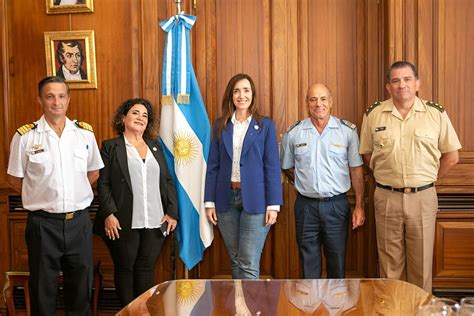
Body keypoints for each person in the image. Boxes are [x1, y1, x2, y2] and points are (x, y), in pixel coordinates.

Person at [359, 61, 461, 292]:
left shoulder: (435, 114)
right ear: (388, 87)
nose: (401, 85)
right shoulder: (374, 115)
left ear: (417, 84)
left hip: (423, 198)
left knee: (421, 266)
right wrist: (389, 174)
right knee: (389, 267)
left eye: (407, 79)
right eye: (395, 81)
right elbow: (366, 153)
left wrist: (428, 179)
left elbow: (452, 156)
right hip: (386, 197)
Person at [7, 76, 103, 315]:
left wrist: (72, 193)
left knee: (81, 290)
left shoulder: (84, 134)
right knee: (43, 291)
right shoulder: (26, 137)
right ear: (40, 100)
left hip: (78, 222)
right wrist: (41, 194)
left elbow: (93, 172)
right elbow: (14, 178)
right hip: (42, 224)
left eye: (61, 96)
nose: (56, 102)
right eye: (50, 96)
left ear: (68, 100)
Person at [93, 98, 178, 306]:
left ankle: (143, 311)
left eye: (145, 115)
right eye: (135, 113)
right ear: (123, 118)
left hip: (155, 219)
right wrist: (109, 214)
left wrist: (172, 212)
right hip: (121, 221)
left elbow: (166, 181)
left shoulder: (155, 147)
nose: (140, 118)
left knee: (146, 269)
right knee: (125, 268)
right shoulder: (110, 147)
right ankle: (127, 312)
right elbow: (102, 184)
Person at [281, 83, 365, 279]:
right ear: (307, 103)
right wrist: (307, 183)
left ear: (331, 102)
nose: (318, 104)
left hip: (336, 205)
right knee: (308, 263)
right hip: (306, 206)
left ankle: (335, 309)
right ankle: (311, 308)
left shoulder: (347, 132)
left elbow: (356, 169)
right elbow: (287, 167)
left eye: (323, 99)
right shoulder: (294, 133)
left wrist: (359, 206)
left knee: (337, 261)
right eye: (313, 99)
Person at [204, 73, 283, 279]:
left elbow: (272, 166)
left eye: (246, 90)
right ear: (231, 96)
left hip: (256, 201)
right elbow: (213, 165)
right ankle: (239, 308)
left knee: (248, 260)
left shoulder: (265, 125)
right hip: (225, 200)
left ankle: (250, 310)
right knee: (236, 258)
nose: (241, 95)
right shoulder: (220, 125)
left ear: (253, 94)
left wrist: (274, 205)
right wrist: (209, 202)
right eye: (237, 91)